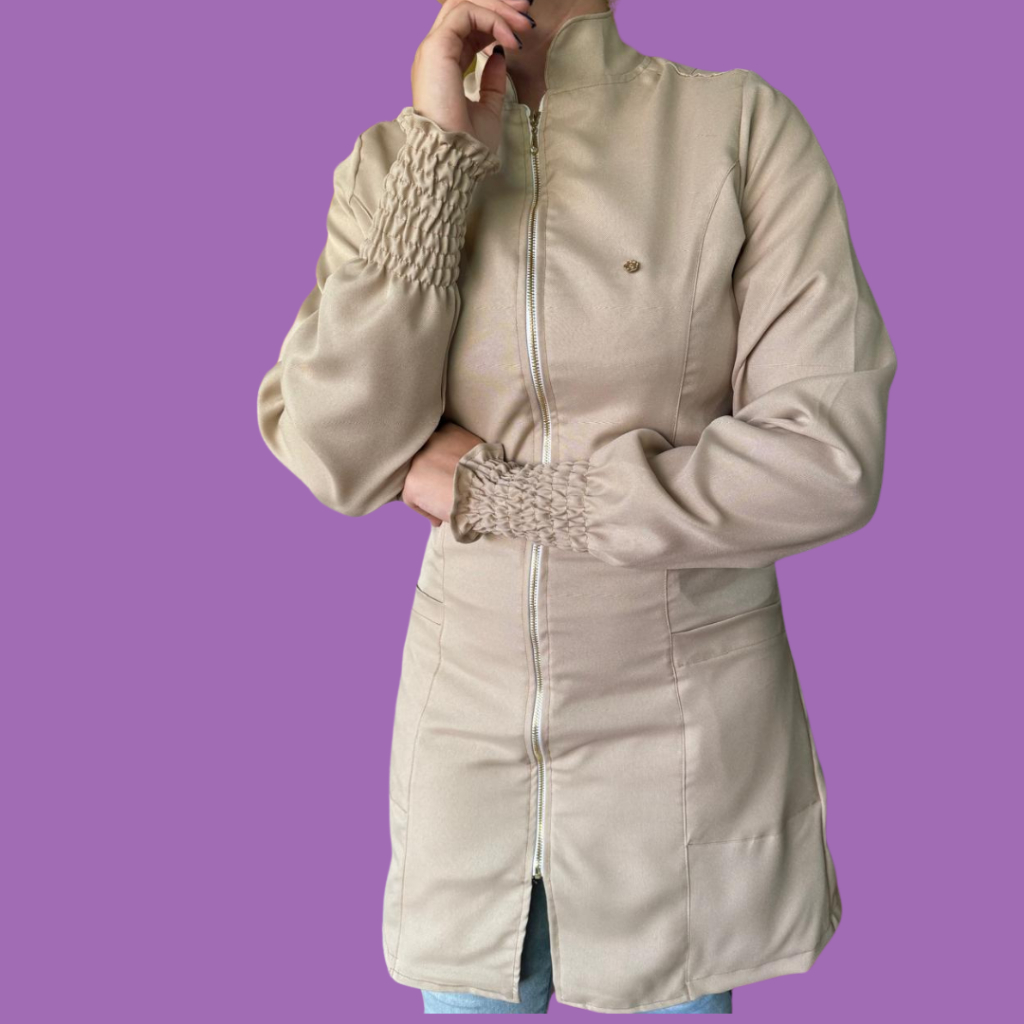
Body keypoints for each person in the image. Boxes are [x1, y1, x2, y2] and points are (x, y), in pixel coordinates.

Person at [256, 0, 897, 1015]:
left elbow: (825, 457)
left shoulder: (736, 127)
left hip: (683, 749)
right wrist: (442, 162)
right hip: (467, 744)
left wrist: (512, 498)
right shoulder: (392, 163)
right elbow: (336, 446)